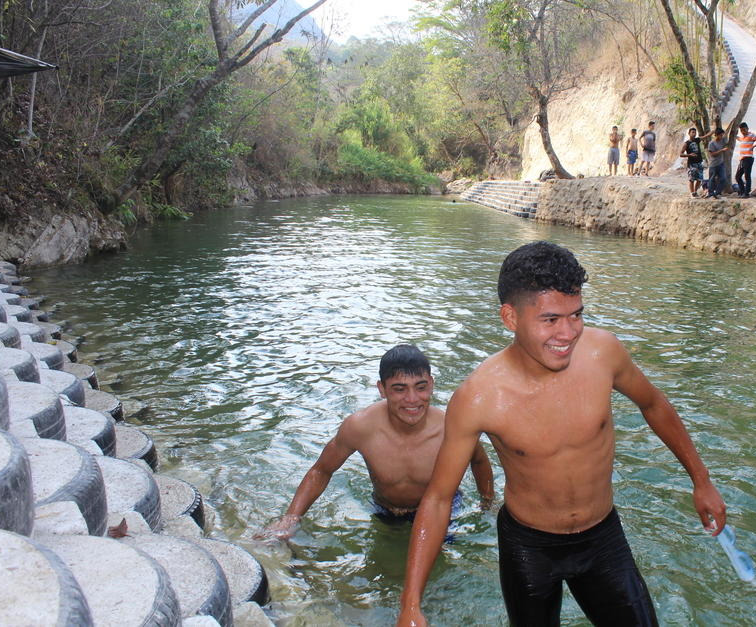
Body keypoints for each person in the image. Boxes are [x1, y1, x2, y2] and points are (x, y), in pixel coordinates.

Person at [398, 242, 727, 627]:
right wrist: (411, 603)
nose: (568, 333)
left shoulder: (603, 353)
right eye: (551, 319)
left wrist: (702, 481)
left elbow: (653, 404)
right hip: (529, 546)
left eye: (577, 315)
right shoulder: (479, 397)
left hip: (602, 536)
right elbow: (438, 499)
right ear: (510, 317)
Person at [260, 344, 495, 541]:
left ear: (431, 384)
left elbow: (479, 461)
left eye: (420, 388)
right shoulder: (361, 427)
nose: (412, 400)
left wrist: (488, 502)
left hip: (441, 509)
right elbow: (321, 470)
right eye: (399, 389)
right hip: (386, 509)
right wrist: (291, 519)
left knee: (439, 573)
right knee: (384, 571)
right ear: (382, 389)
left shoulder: (450, 427)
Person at [735, 122, 756, 198]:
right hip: (742, 159)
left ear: (747, 129)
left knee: (747, 176)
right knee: (737, 176)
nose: (743, 132)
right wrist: (733, 133)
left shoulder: (751, 135)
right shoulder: (742, 137)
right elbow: (738, 138)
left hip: (748, 158)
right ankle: (742, 191)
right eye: (741, 131)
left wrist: (753, 146)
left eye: (744, 130)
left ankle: (746, 193)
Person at [680, 127, 706, 198]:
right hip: (692, 164)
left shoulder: (697, 140)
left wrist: (712, 132)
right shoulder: (686, 143)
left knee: (700, 179)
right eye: (692, 132)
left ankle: (695, 192)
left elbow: (705, 136)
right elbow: (681, 154)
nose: (694, 134)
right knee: (691, 179)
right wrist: (689, 155)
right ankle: (692, 193)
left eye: (695, 132)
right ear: (689, 133)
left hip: (699, 163)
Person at [706, 127, 729, 199]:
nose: (721, 137)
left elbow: (727, 137)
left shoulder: (722, 141)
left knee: (723, 178)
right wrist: (722, 150)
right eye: (720, 135)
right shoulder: (711, 143)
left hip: (721, 163)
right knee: (711, 179)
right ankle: (710, 193)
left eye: (722, 135)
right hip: (713, 164)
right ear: (716, 135)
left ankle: (717, 192)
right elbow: (712, 154)